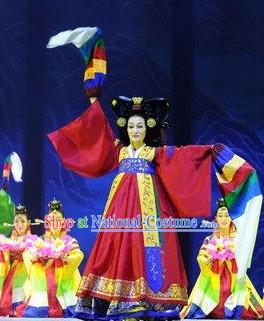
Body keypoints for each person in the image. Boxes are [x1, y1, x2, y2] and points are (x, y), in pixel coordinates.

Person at [46, 27, 262, 320]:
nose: (135, 130)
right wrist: (94, 100)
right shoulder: (119, 149)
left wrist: (212, 152)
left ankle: (150, 301)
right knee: (113, 244)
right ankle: (105, 299)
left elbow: (183, 156)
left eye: (140, 127)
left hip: (149, 209)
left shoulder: (155, 153)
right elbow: (98, 134)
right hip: (120, 206)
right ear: (127, 128)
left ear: (147, 129)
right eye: (132, 126)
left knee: (149, 248)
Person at [180, 199, 264, 319]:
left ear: (231, 219)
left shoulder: (238, 239)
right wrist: (208, 260)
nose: (224, 219)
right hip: (212, 278)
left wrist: (232, 257)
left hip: (234, 278)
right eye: (220, 216)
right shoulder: (210, 239)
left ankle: (234, 309)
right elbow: (201, 256)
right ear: (216, 219)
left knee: (248, 301)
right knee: (202, 300)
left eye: (227, 216)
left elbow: (243, 258)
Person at [21, 198, 83, 318]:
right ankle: (41, 305)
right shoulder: (40, 241)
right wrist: (33, 257)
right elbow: (27, 253)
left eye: (58, 220)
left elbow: (78, 254)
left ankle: (64, 305)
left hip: (63, 280)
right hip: (43, 282)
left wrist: (67, 258)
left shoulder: (69, 241)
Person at [0, 204, 31, 316]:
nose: (19, 225)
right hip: (13, 272)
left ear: (28, 222)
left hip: (27, 273)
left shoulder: (33, 240)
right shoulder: (9, 240)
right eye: (16, 221)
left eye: (22, 221)